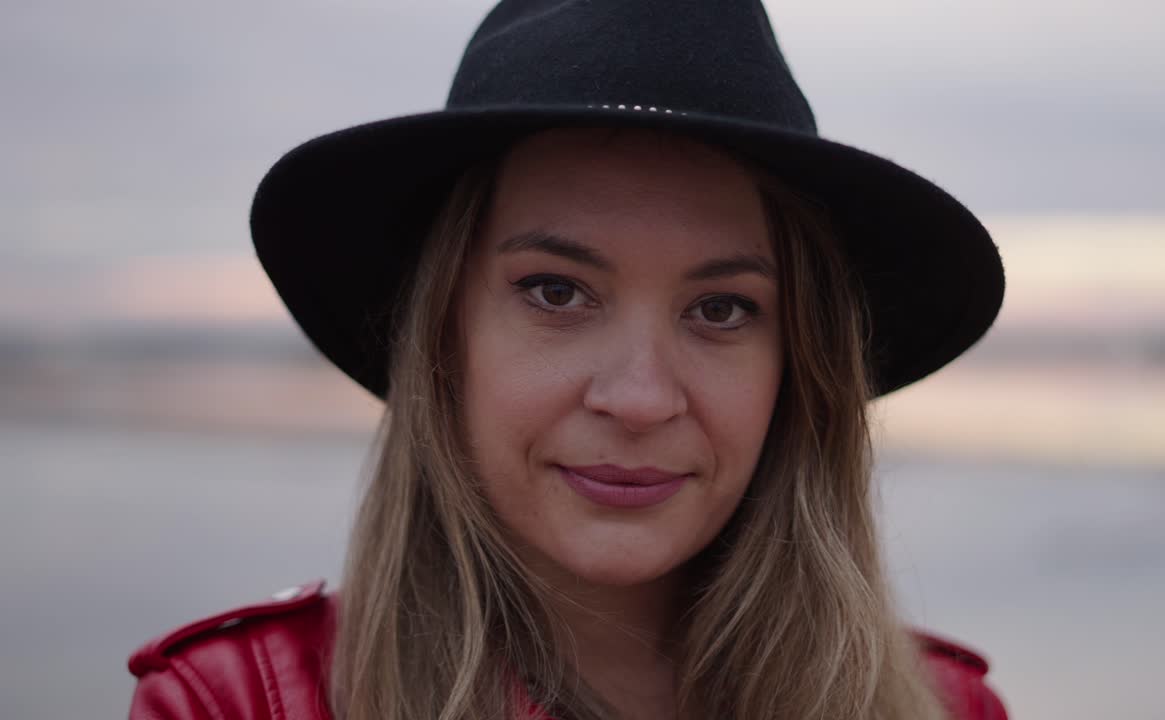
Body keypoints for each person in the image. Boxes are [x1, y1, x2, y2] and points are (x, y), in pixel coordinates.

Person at [128, 1, 1009, 718]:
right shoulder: (237, 703)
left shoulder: (946, 708)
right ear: (443, 334)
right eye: (556, 292)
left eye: (722, 308)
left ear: (798, 369)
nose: (638, 398)